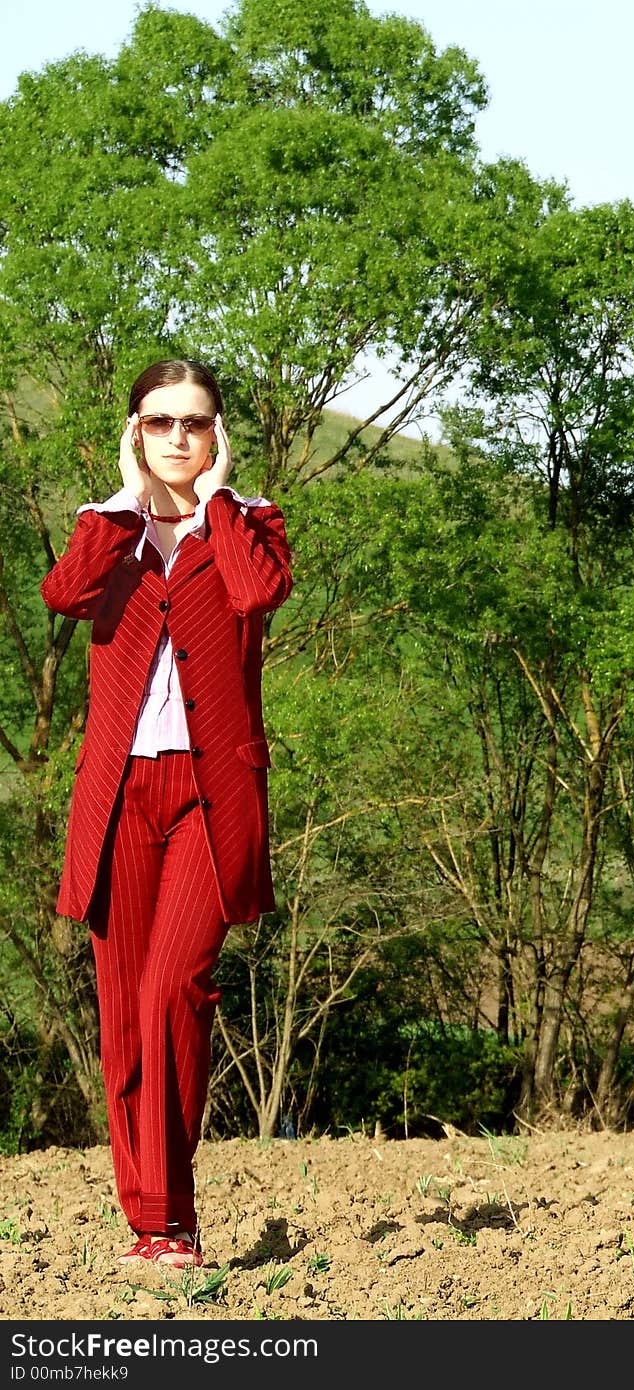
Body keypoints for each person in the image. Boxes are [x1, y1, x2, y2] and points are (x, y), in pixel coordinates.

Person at [40, 359, 292, 1268]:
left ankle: (170, 1216)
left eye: (196, 423)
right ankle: (152, 1222)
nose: (178, 438)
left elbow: (257, 595)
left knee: (170, 990)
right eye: (160, 422)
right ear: (135, 431)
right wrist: (123, 501)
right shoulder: (104, 531)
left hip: (209, 796)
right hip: (117, 800)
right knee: (122, 1014)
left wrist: (216, 505)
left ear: (218, 434)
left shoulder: (252, 524)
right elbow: (64, 597)